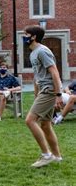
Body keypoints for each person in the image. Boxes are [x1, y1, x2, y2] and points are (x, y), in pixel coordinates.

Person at [23, 25, 63, 168]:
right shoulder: (33, 52)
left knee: (30, 120)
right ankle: (57, 157)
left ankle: (46, 155)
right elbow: (37, 76)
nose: (24, 37)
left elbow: (54, 72)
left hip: (49, 90)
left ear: (33, 37)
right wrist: (36, 93)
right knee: (45, 125)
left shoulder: (42, 51)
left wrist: (58, 94)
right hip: (43, 90)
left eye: (26, 34)